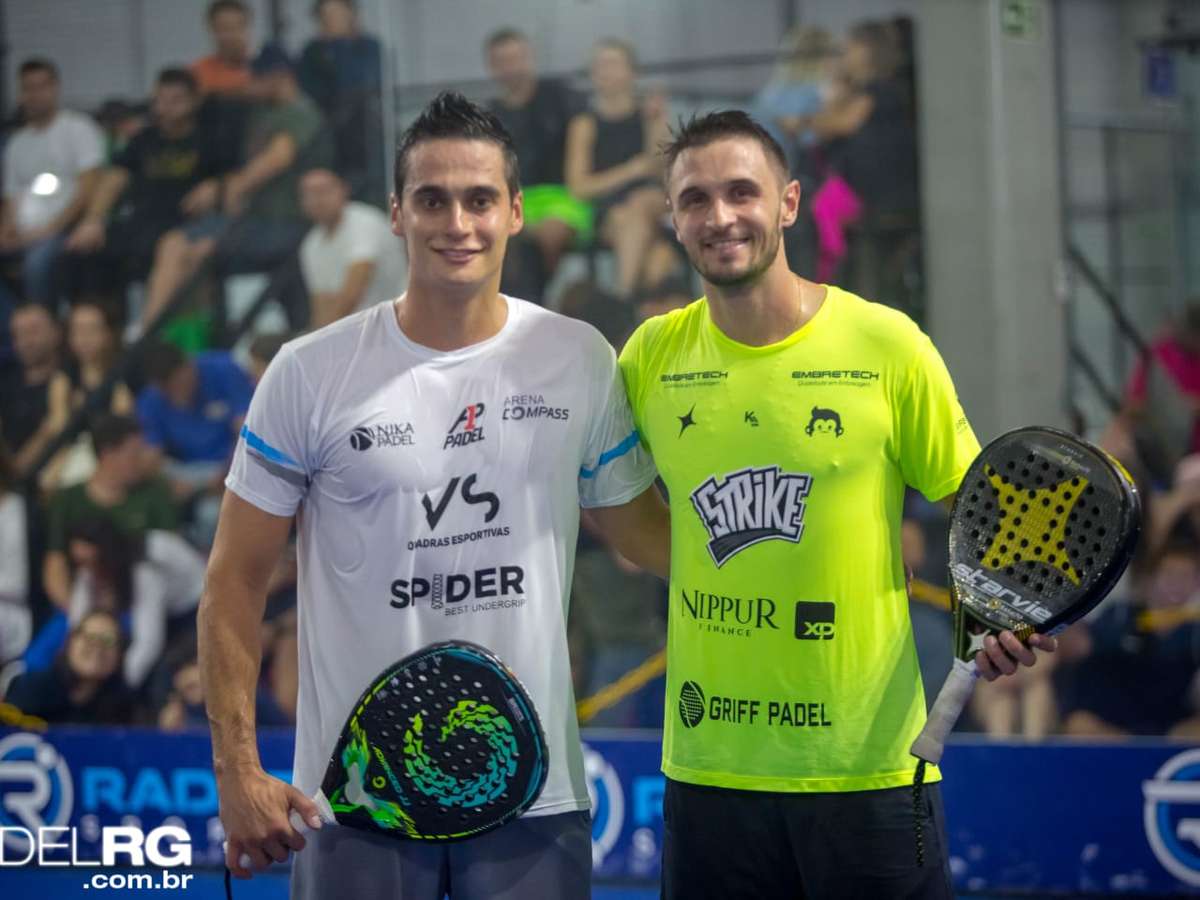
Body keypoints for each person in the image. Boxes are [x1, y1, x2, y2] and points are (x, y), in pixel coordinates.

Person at [200, 92, 669, 897]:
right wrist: (237, 771)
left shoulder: (579, 357)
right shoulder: (308, 372)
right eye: (433, 199)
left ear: (516, 211)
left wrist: (806, 548)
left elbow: (648, 538)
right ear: (396, 214)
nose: (459, 222)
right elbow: (233, 584)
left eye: (480, 199)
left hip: (534, 800)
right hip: (354, 804)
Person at [617, 110, 1055, 900]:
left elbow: (976, 513)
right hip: (710, 773)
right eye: (696, 199)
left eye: (741, 192)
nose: (720, 217)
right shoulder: (649, 357)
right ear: (672, 219)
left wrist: (996, 617)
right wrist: (707, 569)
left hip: (871, 774)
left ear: (787, 203)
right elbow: (617, 513)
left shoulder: (888, 345)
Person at [137, 43, 331, 334]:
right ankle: (147, 332)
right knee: (173, 244)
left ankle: (186, 338)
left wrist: (224, 190)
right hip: (248, 219)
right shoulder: (262, 112)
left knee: (201, 252)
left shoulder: (300, 112)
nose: (250, 85)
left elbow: (276, 159)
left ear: (279, 77)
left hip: (283, 220)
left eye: (257, 78)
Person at [65, 68, 232, 307]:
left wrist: (215, 187)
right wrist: (93, 219)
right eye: (161, 100)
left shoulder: (211, 139)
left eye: (176, 100)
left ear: (195, 101)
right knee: (79, 251)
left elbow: (231, 179)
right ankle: (92, 330)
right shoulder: (144, 139)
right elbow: (115, 178)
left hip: (186, 226)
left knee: (171, 251)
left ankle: (147, 337)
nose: (166, 108)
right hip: (140, 224)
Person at [565, 39, 678, 300]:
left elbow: (660, 169)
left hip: (653, 202)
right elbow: (578, 187)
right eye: (600, 65)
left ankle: (621, 301)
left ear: (632, 72)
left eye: (614, 64)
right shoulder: (584, 124)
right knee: (658, 260)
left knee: (641, 202)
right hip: (611, 210)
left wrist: (658, 122)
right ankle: (630, 305)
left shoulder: (649, 114)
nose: (606, 71)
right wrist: (630, 170)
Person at [485, 28, 590, 300]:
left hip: (564, 196)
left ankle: (538, 300)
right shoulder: (490, 115)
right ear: (492, 67)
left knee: (551, 232)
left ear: (528, 57)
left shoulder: (561, 97)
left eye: (516, 58)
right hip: (515, 198)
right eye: (503, 61)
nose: (511, 67)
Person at [43, 414, 177, 612]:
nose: (142, 460)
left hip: (144, 601)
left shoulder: (154, 492)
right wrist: (76, 611)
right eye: (134, 454)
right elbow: (55, 563)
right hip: (83, 600)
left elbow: (170, 554)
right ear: (108, 454)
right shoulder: (68, 499)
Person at [1, 58, 105, 308]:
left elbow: (88, 188)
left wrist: (50, 230)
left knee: (38, 262)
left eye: (42, 86)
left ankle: (43, 329)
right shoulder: (17, 143)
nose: (36, 95)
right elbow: (10, 196)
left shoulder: (78, 128)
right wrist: (7, 228)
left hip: (66, 228)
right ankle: (14, 328)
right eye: (28, 88)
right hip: (26, 231)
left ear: (55, 88)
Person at [298, 0, 385, 201]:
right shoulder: (313, 52)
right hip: (330, 138)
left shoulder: (369, 47)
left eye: (337, 15)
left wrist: (340, 45)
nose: (332, 22)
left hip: (366, 137)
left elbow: (363, 84)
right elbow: (313, 93)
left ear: (352, 15)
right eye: (326, 17)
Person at [297, 168, 407, 328]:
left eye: (324, 191)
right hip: (357, 329)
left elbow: (353, 293)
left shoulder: (365, 222)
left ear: (343, 190)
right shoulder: (310, 244)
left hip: (399, 323)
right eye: (310, 194)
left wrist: (322, 339)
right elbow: (321, 302)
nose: (318, 200)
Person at [5, 609, 136, 725]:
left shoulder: (124, 707)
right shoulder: (30, 689)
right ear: (70, 643)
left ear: (120, 655)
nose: (98, 647)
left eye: (108, 641)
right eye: (89, 637)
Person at [0, 301, 63, 476]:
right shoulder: (5, 384)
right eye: (19, 334)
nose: (26, 341)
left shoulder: (70, 381)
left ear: (56, 332)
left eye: (34, 331)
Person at [192, 0, 254, 97]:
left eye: (237, 27)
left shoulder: (267, 71)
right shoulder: (198, 74)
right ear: (212, 30)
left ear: (247, 28)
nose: (232, 35)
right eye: (224, 28)